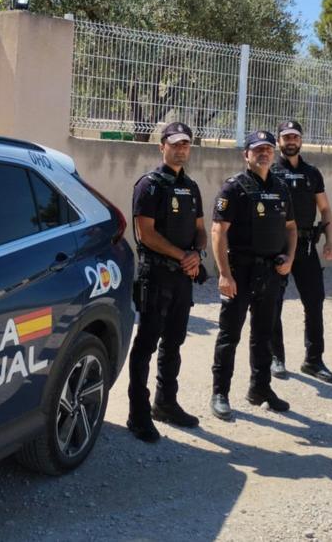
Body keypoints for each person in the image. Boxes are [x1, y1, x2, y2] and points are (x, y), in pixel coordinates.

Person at [126, 122, 207, 442]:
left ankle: (166, 402)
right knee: (146, 343)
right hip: (156, 276)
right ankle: (138, 412)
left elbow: (201, 228)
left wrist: (196, 254)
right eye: (174, 144)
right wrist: (180, 255)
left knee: (174, 342)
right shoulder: (149, 185)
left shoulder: (192, 186)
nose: (181, 149)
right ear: (162, 147)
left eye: (185, 144)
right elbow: (145, 233)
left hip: (183, 278)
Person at [209, 131, 297, 421]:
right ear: (246, 154)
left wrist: (290, 257)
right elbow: (218, 232)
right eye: (257, 149)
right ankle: (220, 393)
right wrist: (224, 274)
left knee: (263, 334)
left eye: (268, 149)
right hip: (240, 272)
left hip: (271, 273)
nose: (264, 154)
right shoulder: (234, 188)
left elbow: (292, 228)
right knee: (229, 334)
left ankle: (260, 389)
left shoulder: (281, 188)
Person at [268, 120, 332, 383]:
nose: (290, 141)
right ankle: (276, 357)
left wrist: (330, 241)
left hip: (307, 246)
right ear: (279, 141)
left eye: (294, 136)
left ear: (301, 140)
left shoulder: (312, 173)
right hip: (278, 247)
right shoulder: (271, 170)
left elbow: (326, 209)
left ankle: (313, 360)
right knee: (274, 302)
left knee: (314, 302)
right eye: (286, 137)